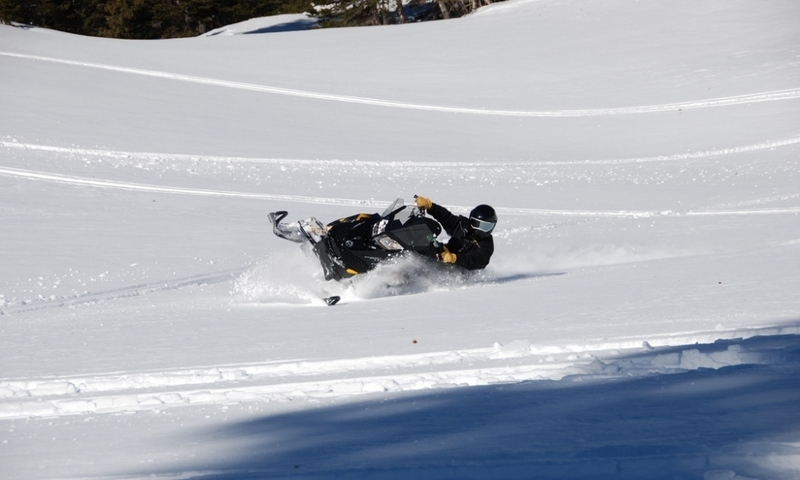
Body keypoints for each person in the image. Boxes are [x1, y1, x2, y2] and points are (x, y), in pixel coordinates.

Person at [414, 195, 496, 270]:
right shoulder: (463, 226)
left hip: (461, 271)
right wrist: (430, 206)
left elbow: (473, 260)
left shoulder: (486, 246)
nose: (480, 230)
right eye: (477, 224)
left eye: (486, 227)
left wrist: (454, 258)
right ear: (471, 221)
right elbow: (446, 218)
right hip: (444, 254)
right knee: (424, 246)